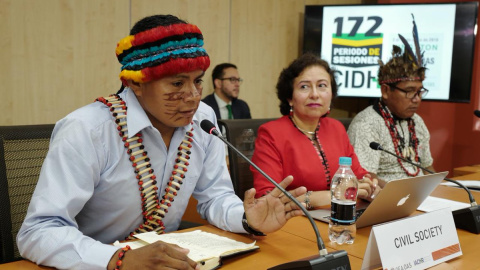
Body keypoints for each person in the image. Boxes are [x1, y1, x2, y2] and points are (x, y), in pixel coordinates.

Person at [17, 15, 307, 270]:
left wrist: (247, 219)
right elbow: (38, 231)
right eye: (177, 84)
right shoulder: (88, 130)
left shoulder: (203, 120)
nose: (193, 96)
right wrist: (120, 259)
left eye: (198, 81)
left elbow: (215, 197)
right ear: (135, 82)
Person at [251, 53, 378, 208]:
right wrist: (335, 194)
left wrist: (368, 184)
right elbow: (267, 197)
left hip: (338, 215)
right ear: (290, 97)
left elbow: (357, 174)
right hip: (295, 221)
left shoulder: (336, 128)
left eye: (322, 86)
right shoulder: (271, 134)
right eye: (304, 87)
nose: (315, 94)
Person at [347, 17, 434, 183]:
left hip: (420, 199)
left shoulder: (417, 122)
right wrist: (400, 195)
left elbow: (428, 168)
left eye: (419, 91)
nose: (417, 99)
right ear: (385, 91)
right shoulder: (367, 124)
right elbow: (365, 178)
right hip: (385, 201)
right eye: (409, 91)